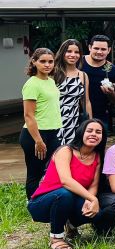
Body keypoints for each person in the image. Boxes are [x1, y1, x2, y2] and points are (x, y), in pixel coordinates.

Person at [27, 119, 110, 249]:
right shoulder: (66, 150)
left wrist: (90, 200)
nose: (94, 134)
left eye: (98, 132)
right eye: (89, 131)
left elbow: (94, 185)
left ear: (102, 137)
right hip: (43, 202)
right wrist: (93, 199)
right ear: (81, 132)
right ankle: (56, 237)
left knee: (95, 213)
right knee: (64, 194)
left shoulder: (97, 156)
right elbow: (66, 181)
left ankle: (70, 225)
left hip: (70, 200)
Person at [20, 48, 62, 199]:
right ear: (34, 62)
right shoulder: (32, 84)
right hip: (36, 135)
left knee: (57, 168)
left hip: (52, 133)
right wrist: (38, 140)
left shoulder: (50, 81)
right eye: (42, 61)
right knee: (34, 173)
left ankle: (48, 199)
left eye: (50, 61)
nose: (47, 65)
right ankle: (33, 205)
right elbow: (28, 115)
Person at [80, 34, 115, 135]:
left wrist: (110, 93)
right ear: (89, 47)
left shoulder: (112, 70)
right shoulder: (78, 63)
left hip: (101, 117)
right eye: (96, 48)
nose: (99, 52)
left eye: (103, 49)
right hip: (74, 115)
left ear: (109, 50)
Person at [53, 39, 92, 146]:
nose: (73, 55)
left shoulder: (83, 75)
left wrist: (90, 124)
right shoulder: (53, 73)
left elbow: (86, 101)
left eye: (76, 52)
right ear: (62, 53)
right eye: (69, 51)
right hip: (53, 121)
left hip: (73, 123)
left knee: (70, 153)